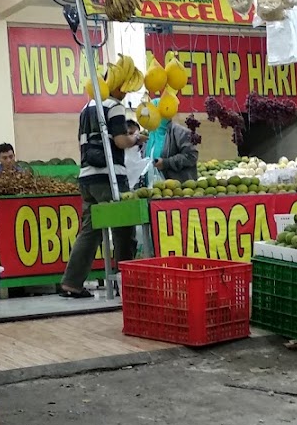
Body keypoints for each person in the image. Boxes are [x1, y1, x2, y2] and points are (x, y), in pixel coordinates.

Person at [60, 67, 146, 297]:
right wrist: (136, 138)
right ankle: (127, 283)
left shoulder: (86, 107)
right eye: (125, 87)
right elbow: (119, 141)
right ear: (117, 84)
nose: (126, 93)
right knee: (124, 227)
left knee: (90, 230)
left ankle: (71, 283)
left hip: (87, 177)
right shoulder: (114, 105)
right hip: (109, 178)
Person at [149, 114, 199, 184]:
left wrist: (166, 163)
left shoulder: (180, 132)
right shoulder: (151, 134)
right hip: (154, 188)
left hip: (178, 188)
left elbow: (191, 156)